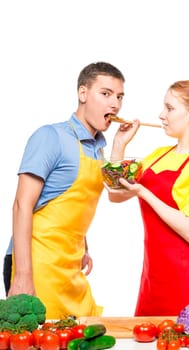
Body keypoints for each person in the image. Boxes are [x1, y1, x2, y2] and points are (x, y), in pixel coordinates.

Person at [4, 61, 131, 319]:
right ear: (83, 94)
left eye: (119, 97)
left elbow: (112, 194)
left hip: (70, 267)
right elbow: (22, 205)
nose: (115, 104)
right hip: (36, 264)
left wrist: (83, 246)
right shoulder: (50, 137)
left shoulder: (98, 148)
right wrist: (23, 276)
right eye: (105, 94)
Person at [104, 80, 189, 316]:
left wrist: (143, 192)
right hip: (154, 277)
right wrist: (119, 145)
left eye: (169, 108)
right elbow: (116, 194)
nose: (162, 115)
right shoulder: (158, 156)